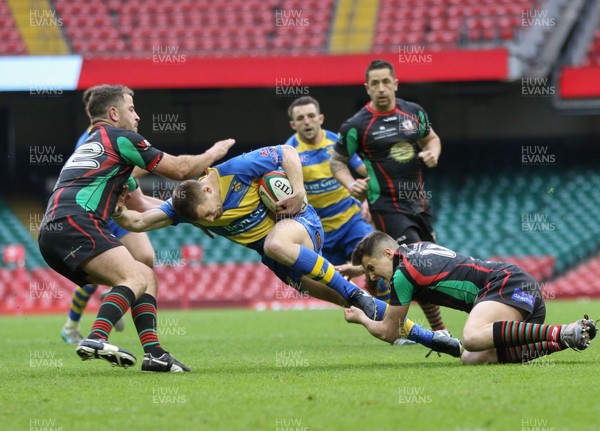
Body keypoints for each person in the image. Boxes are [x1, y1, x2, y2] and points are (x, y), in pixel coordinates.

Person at [112, 145, 462, 357]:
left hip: (300, 226)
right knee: (350, 303)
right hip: (279, 261)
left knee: (276, 243)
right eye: (208, 220)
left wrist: (299, 192)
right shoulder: (184, 208)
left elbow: (287, 153)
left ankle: (357, 295)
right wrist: (116, 206)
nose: (214, 217)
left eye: (212, 210)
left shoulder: (236, 169)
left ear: (206, 189)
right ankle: (434, 339)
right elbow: (139, 222)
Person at [38, 84, 236, 372]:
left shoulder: (94, 148)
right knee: (134, 277)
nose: (138, 116)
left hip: (54, 231)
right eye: (132, 109)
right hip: (76, 222)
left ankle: (154, 353)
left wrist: (192, 215)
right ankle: (95, 337)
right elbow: (180, 170)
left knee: (145, 274)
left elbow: (142, 206)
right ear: (114, 113)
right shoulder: (121, 138)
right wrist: (213, 153)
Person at [343, 231, 597, 364]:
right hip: (521, 297)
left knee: (472, 337)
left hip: (505, 284)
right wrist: (357, 268)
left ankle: (560, 331)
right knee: (472, 358)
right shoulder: (415, 249)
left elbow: (390, 331)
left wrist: (361, 318)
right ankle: (567, 338)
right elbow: (410, 276)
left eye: (371, 269)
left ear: (388, 253)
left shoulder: (402, 274)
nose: (373, 277)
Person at [285, 96, 413, 344]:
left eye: (311, 116)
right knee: (326, 283)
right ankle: (368, 312)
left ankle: (396, 330)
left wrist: (368, 198)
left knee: (384, 264)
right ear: (293, 124)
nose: (307, 122)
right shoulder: (290, 153)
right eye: (300, 118)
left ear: (320, 118)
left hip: (351, 221)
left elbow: (367, 172)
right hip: (318, 231)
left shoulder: (336, 143)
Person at [331, 58, 446, 332]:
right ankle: (433, 331)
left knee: (425, 263)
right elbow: (337, 162)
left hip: (419, 204)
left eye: (386, 82)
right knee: (415, 264)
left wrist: (433, 153)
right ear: (367, 88)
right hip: (385, 207)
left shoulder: (414, 112)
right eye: (375, 83)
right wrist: (350, 183)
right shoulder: (356, 125)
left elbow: (432, 138)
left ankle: (371, 283)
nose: (381, 88)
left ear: (395, 83)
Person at [61, 86, 163, 345]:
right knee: (99, 271)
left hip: (116, 209)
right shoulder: (89, 142)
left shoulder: (116, 135)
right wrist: (142, 164)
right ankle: (75, 324)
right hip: (93, 214)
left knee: (145, 258)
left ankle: (119, 298)